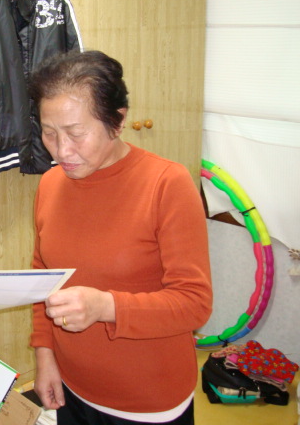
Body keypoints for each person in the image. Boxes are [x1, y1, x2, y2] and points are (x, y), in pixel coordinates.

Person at [28, 50, 213, 425]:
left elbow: (194, 303)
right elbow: (42, 275)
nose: (62, 151)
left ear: (118, 121)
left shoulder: (166, 184)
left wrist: (105, 306)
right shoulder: (50, 183)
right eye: (49, 133)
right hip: (72, 385)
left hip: (148, 400)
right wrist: (45, 355)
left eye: (76, 134)